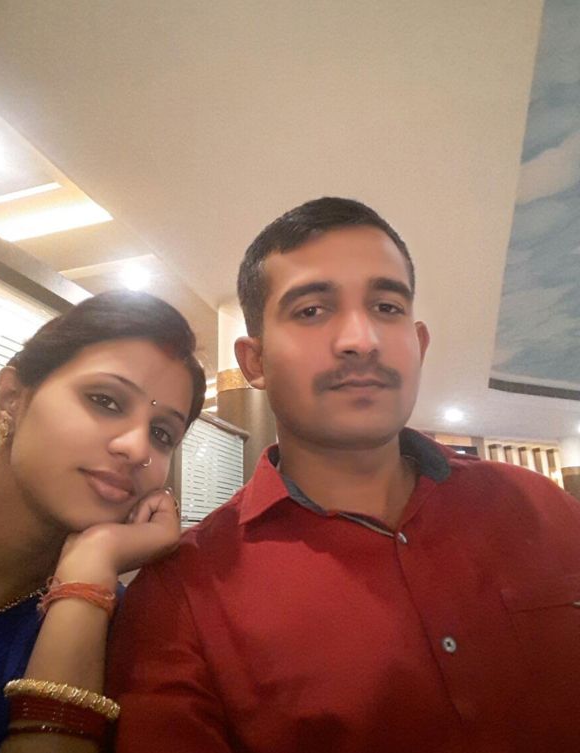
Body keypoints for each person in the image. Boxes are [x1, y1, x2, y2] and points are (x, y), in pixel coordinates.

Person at [108, 197, 580, 753]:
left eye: (386, 307)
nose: (362, 338)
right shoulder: (182, 595)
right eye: (311, 310)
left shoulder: (541, 505)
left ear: (418, 344)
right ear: (254, 362)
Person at [0, 290, 206, 753]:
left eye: (162, 433)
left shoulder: (131, 632)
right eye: (106, 401)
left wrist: (92, 567)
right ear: (10, 399)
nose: (137, 448)